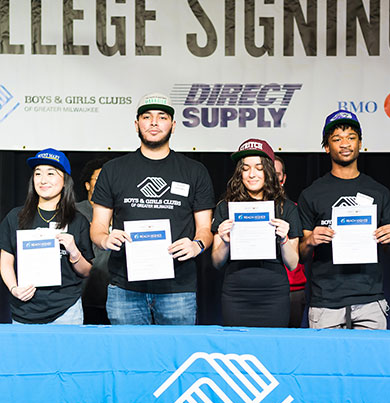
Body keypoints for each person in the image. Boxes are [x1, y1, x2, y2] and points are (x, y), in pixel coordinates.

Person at [90, 92, 215, 325]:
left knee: (177, 349)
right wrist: (105, 239)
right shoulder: (113, 170)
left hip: (177, 288)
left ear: (173, 125)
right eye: (147, 117)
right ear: (136, 124)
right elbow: (97, 226)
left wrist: (196, 245)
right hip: (125, 287)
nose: (154, 123)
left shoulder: (194, 171)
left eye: (162, 117)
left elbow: (205, 229)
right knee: (128, 349)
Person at [298, 110, 390, 329]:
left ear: (360, 143)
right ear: (327, 147)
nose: (345, 144)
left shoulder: (378, 192)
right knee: (325, 355)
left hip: (370, 298)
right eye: (337, 139)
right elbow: (302, 255)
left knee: (371, 354)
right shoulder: (311, 194)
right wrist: (311, 240)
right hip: (326, 301)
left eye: (351, 137)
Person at [211, 139, 302, 327]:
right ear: (239, 173)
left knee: (272, 344)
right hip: (236, 294)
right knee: (237, 344)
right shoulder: (225, 208)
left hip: (274, 294)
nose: (252, 174)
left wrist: (284, 240)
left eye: (259, 168)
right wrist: (225, 241)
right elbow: (216, 262)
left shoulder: (286, 208)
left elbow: (293, 264)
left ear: (268, 171)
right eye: (245, 169)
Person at [0, 148, 93, 324]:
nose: (43, 180)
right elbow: (5, 261)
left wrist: (74, 251)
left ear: (65, 181)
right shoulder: (15, 217)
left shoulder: (77, 220)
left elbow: (86, 271)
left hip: (66, 311)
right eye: (38, 173)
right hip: (24, 310)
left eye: (51, 173)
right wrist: (14, 288)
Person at [274, 155, 307, 327]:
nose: (272, 179)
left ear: (284, 178)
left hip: (293, 288)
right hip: (260, 289)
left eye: (277, 175)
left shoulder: (293, 210)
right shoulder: (245, 211)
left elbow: (305, 252)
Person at [76, 158, 110, 324]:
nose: (103, 183)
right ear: (87, 185)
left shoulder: (122, 212)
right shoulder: (74, 212)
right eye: (98, 179)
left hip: (116, 296)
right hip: (84, 295)